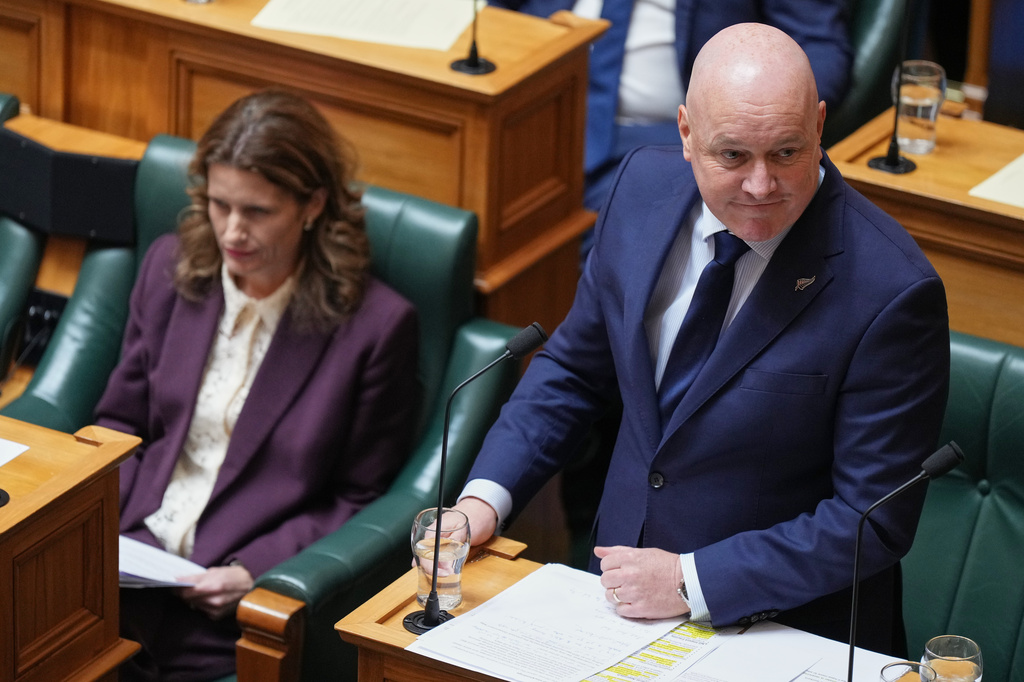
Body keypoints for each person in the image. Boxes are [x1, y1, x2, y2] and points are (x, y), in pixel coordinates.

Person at [455, 23, 949, 655]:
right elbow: (575, 374)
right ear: (686, 134)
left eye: (788, 153)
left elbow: (869, 521)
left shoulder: (892, 292)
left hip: (784, 630)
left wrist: (690, 581)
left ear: (820, 125)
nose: (762, 185)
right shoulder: (640, 190)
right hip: (617, 599)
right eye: (734, 156)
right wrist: (483, 501)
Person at [95, 90, 421, 681]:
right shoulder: (170, 270)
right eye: (219, 205)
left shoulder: (375, 327)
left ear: (313, 205)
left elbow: (360, 495)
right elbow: (120, 423)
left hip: (230, 597)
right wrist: (89, 535)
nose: (233, 231)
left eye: (258, 211)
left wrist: (257, 570)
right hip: (127, 563)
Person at [489, 0, 852, 213]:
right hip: (529, 112)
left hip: (667, 138)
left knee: (614, 232)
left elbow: (819, 46)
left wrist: (744, 121)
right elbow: (497, 12)